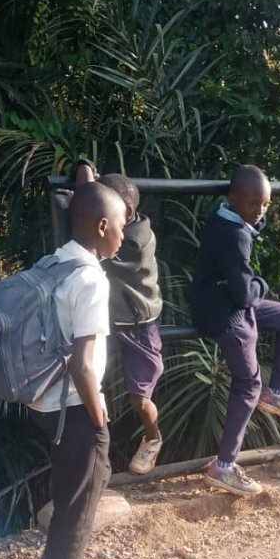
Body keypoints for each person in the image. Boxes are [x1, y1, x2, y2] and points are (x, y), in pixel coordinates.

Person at [23, 182, 127, 559]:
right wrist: (99, 415)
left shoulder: (54, 263)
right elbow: (85, 365)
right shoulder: (89, 279)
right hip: (72, 404)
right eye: (122, 225)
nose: (124, 234)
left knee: (82, 484)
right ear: (103, 226)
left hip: (43, 401)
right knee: (78, 502)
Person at [189, 164, 280, 497]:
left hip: (232, 300)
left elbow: (243, 281)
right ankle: (224, 467)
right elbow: (245, 293)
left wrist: (256, 217)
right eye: (254, 203)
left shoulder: (227, 217)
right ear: (234, 197)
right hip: (222, 310)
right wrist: (262, 284)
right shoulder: (234, 234)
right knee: (248, 382)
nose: (259, 211)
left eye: (266, 204)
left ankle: (279, 392)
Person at [98, 173, 165, 474]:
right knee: (88, 379)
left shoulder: (134, 240)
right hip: (111, 322)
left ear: (123, 212)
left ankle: (153, 438)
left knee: (140, 395)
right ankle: (97, 450)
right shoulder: (119, 224)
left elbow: (98, 256)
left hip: (139, 325)